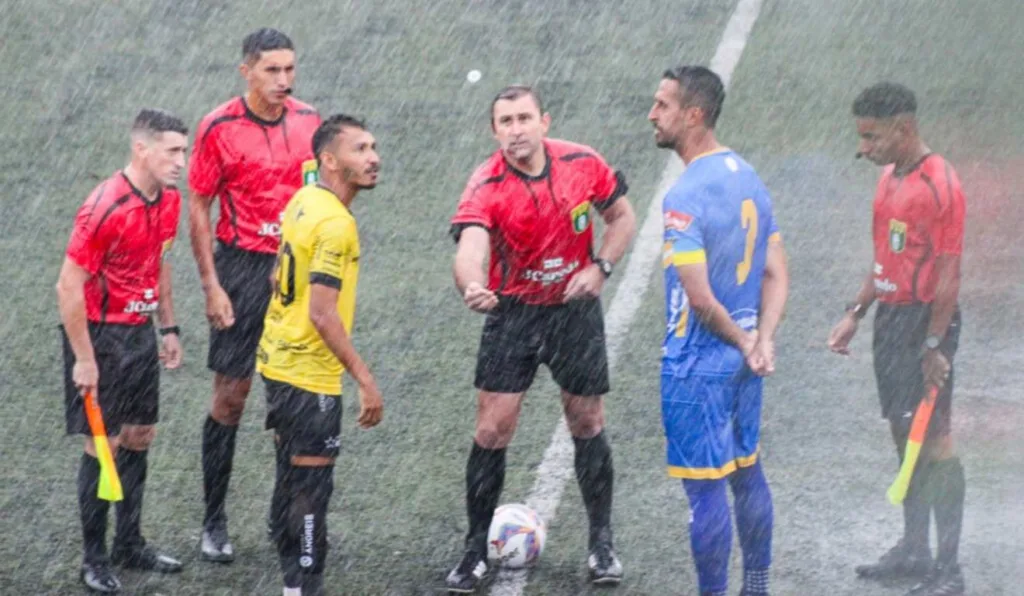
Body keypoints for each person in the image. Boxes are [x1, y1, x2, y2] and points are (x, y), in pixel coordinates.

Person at [445, 85, 637, 593]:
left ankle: (601, 543)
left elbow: (621, 216)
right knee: (492, 430)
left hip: (574, 312)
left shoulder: (583, 162)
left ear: (544, 122)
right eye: (505, 122)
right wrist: (471, 284)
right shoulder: (486, 183)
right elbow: (470, 247)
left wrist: (601, 267)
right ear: (495, 131)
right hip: (513, 315)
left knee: (587, 420)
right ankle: (473, 551)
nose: (515, 130)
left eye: (523, 118)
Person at [648, 66, 789, 596]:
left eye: (662, 105)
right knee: (747, 470)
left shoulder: (685, 195)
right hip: (744, 359)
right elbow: (777, 273)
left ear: (694, 114)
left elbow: (700, 298)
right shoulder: (748, 175)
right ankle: (756, 588)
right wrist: (762, 338)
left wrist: (740, 340)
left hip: (698, 362)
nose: (652, 114)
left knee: (705, 490)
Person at [188, 27, 322, 562]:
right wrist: (211, 284)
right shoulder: (218, 127)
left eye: (290, 69)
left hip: (294, 273)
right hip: (240, 269)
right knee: (230, 398)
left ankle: (280, 514)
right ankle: (214, 520)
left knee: (290, 400)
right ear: (247, 71)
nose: (284, 80)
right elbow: (199, 204)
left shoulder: (311, 122)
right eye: (272, 70)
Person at [827, 82, 966, 596]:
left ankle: (949, 572)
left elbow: (949, 275)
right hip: (891, 320)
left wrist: (935, 347)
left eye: (871, 137)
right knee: (903, 432)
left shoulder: (941, 185)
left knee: (937, 441)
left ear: (904, 128)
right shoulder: (888, 180)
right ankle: (914, 550)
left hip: (929, 322)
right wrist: (856, 313)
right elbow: (886, 257)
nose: (863, 147)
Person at [56, 109, 189, 593]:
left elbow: (161, 264)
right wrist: (84, 358)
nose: (181, 161)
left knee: (138, 436)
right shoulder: (104, 206)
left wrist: (168, 326)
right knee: (102, 445)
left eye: (183, 150)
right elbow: (68, 286)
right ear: (142, 149)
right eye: (172, 151)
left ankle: (129, 543)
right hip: (98, 336)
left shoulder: (170, 201)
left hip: (138, 335)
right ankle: (93, 560)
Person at [255, 114, 384, 596]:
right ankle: (305, 587)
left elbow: (277, 274)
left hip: (277, 364)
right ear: (329, 160)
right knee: (312, 494)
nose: (373, 158)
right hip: (310, 378)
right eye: (359, 150)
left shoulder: (304, 198)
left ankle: (293, 583)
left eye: (372, 147)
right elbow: (323, 314)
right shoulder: (337, 225)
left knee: (292, 479)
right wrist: (364, 378)